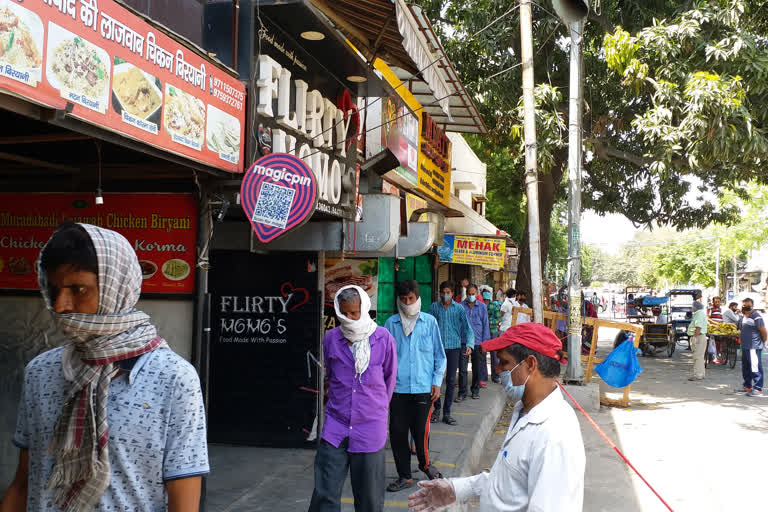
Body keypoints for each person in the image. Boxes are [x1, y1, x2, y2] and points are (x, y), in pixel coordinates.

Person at [0, 222, 209, 512]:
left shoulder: (173, 378)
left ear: (116, 288)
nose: (60, 305)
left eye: (78, 289)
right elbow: (24, 483)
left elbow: (182, 494)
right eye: (54, 289)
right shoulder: (40, 372)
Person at [408, 323, 585, 512]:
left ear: (530, 364)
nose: (498, 369)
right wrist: (456, 489)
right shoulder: (524, 410)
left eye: (504, 362)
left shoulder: (555, 435)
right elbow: (507, 481)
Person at [309, 285, 397, 512]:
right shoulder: (331, 338)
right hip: (336, 427)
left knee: (369, 499)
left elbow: (389, 380)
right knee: (324, 494)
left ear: (364, 309)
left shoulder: (384, 339)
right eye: (344, 313)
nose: (349, 318)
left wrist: (374, 410)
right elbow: (330, 374)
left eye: (354, 313)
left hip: (370, 429)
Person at [384, 280, 446, 492]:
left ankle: (426, 465)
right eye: (403, 299)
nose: (407, 303)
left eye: (411, 299)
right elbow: (384, 359)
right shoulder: (390, 325)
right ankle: (404, 476)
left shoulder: (430, 323)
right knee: (398, 433)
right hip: (397, 389)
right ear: (399, 301)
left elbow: (440, 356)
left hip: (423, 388)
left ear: (417, 298)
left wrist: (437, 382)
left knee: (421, 431)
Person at [430, 281, 474, 426]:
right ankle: (436, 410)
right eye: (443, 292)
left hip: (454, 348)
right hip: (437, 349)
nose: (445, 295)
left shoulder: (459, 309)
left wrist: (469, 344)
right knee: (435, 380)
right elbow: (428, 327)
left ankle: (447, 412)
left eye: (448, 292)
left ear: (453, 294)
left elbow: (468, 328)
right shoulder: (434, 307)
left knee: (450, 381)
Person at [461, 285, 491, 399]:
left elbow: (485, 326)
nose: (471, 296)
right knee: (463, 369)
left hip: (478, 342)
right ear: (466, 293)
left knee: (476, 368)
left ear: (477, 294)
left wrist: (485, 344)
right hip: (464, 341)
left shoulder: (482, 307)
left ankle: (475, 390)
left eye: (473, 294)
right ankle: (462, 392)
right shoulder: (461, 306)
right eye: (469, 293)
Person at [737, 298, 767, 397]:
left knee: (755, 367)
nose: (745, 307)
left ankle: (758, 389)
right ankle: (748, 386)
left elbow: (763, 331)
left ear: (752, 306)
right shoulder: (744, 317)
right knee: (746, 367)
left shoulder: (756, 316)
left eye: (747, 305)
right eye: (744, 305)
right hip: (745, 347)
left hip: (753, 347)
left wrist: (763, 342)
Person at [484, 288, 503, 384]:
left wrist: (488, 322)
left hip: (492, 331)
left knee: (494, 355)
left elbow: (498, 319)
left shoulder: (494, 306)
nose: (485, 301)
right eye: (484, 300)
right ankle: (483, 376)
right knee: (482, 353)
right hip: (483, 332)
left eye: (486, 300)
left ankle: (495, 376)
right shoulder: (479, 304)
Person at [687, 300, 708, 381]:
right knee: (700, 357)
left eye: (692, 306)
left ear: (695, 307)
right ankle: (701, 374)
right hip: (700, 336)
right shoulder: (700, 313)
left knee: (697, 357)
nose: (692, 308)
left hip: (698, 336)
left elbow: (698, 326)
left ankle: (698, 375)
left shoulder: (699, 314)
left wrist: (695, 337)